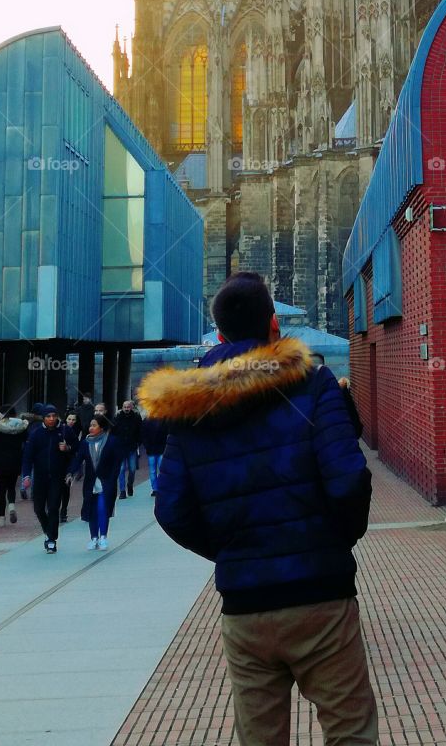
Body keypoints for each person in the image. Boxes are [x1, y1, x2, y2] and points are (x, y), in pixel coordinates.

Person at [139, 271, 377, 746]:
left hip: (246, 606)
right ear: (274, 325)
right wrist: (333, 541)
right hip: (321, 593)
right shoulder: (314, 383)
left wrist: (231, 551)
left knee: (260, 738)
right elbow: (349, 477)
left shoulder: (187, 407)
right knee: (350, 730)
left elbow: (170, 508)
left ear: (220, 335)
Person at [66, 414, 125, 550]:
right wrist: (71, 472)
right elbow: (78, 459)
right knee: (91, 511)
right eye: (90, 425)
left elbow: (117, 462)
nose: (91, 428)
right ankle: (94, 538)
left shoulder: (111, 441)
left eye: (94, 425)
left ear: (102, 428)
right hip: (91, 482)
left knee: (102, 508)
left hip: (106, 481)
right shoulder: (85, 443)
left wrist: (112, 477)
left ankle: (103, 537)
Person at [21, 404, 72, 552]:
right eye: (48, 416)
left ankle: (51, 539)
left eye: (53, 416)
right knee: (38, 508)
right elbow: (27, 457)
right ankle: (47, 531)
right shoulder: (36, 434)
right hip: (40, 477)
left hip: (57, 477)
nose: (51, 419)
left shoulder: (64, 431)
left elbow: (77, 448)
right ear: (43, 418)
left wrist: (67, 448)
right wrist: (26, 475)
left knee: (54, 507)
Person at [112, 400, 142, 497]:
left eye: (128, 407)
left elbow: (140, 431)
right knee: (121, 469)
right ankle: (122, 491)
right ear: (122, 407)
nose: (126, 409)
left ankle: (130, 484)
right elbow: (113, 431)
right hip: (120, 448)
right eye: (124, 407)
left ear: (131, 407)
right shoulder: (117, 417)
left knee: (132, 469)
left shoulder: (136, 417)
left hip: (132, 447)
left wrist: (138, 442)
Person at [59, 414, 82, 524]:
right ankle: (54, 510)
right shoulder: (45, 431)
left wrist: (68, 447)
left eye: (74, 419)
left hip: (67, 463)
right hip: (53, 465)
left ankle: (63, 511)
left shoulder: (67, 430)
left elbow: (76, 445)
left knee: (65, 489)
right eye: (69, 419)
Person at [141, 413, 169, 496]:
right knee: (156, 470)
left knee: (155, 470)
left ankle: (157, 488)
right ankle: (156, 488)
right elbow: (143, 435)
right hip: (154, 449)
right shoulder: (147, 421)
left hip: (157, 449)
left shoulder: (164, 420)